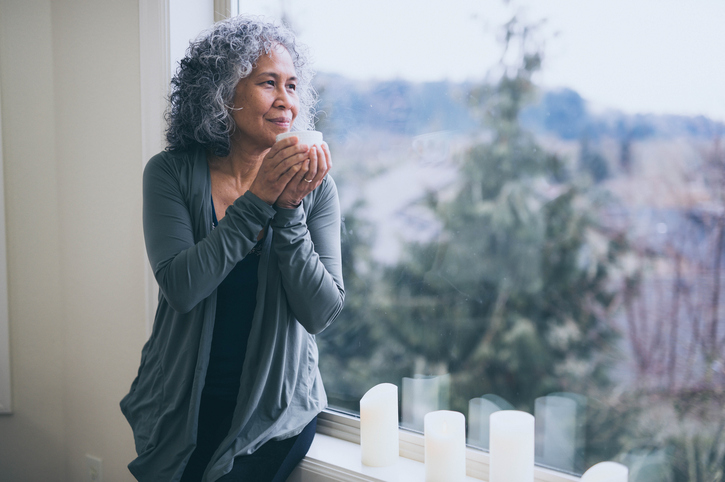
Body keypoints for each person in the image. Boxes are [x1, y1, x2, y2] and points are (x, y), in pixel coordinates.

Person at [120, 16, 344, 482]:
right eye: (268, 83)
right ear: (224, 94)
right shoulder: (169, 174)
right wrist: (259, 198)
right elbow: (182, 287)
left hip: (273, 415)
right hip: (180, 408)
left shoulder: (317, 189)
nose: (287, 101)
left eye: (293, 85)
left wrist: (289, 208)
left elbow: (321, 311)